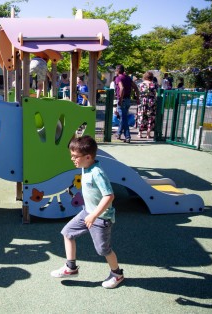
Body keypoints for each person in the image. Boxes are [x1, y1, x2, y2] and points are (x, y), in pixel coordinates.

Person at [51, 135, 123, 289]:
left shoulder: (97, 172)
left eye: (75, 156)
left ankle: (117, 274)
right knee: (67, 232)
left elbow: (109, 196)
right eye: (71, 156)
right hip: (87, 213)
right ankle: (71, 268)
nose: (72, 159)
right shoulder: (85, 167)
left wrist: (94, 215)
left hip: (101, 218)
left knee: (103, 250)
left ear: (88, 157)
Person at [114, 65, 139, 143]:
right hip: (128, 100)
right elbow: (135, 87)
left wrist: (120, 100)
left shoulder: (118, 78)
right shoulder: (128, 78)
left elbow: (122, 88)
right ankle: (118, 133)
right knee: (123, 117)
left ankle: (127, 136)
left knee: (124, 119)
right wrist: (137, 98)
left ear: (117, 71)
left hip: (122, 100)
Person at [137, 71, 158, 139]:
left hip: (142, 101)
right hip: (151, 101)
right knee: (150, 117)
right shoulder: (154, 84)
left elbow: (137, 94)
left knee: (142, 117)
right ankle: (148, 134)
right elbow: (156, 94)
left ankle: (140, 134)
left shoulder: (140, 84)